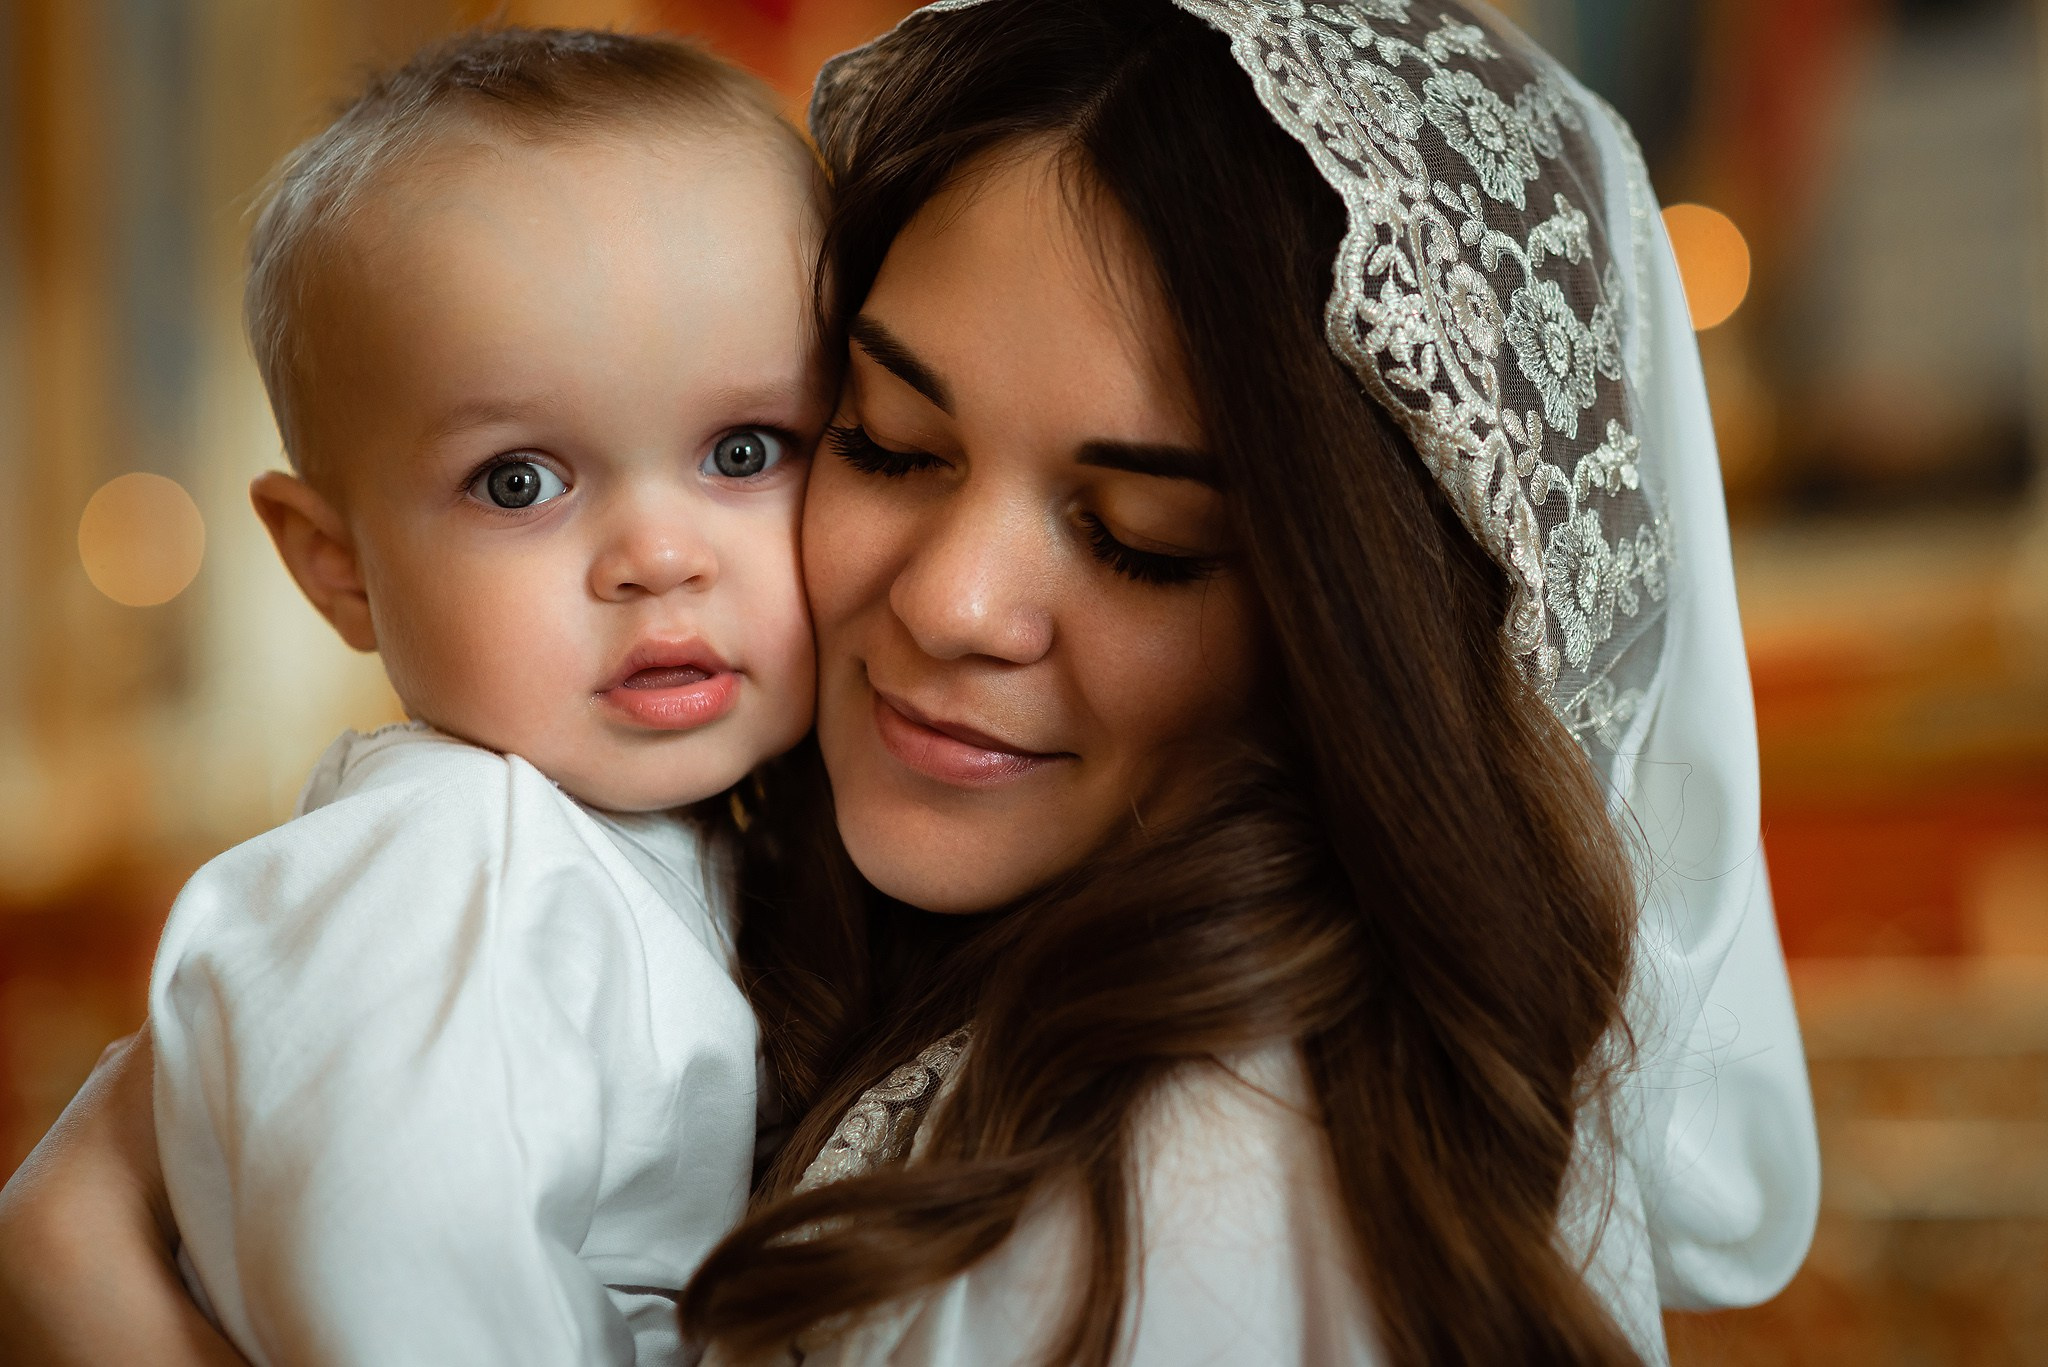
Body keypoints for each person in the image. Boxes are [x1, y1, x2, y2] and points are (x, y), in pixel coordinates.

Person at [0, 3, 1819, 1364]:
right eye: (882, 441)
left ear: (1367, 621)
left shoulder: (1213, 1197)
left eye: (1139, 536)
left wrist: (88, 1290)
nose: (951, 602)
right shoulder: (738, 910)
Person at [144, 28, 828, 1367]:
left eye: (744, 451)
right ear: (334, 565)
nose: (659, 556)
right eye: (521, 480)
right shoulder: (448, 876)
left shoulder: (659, 845)